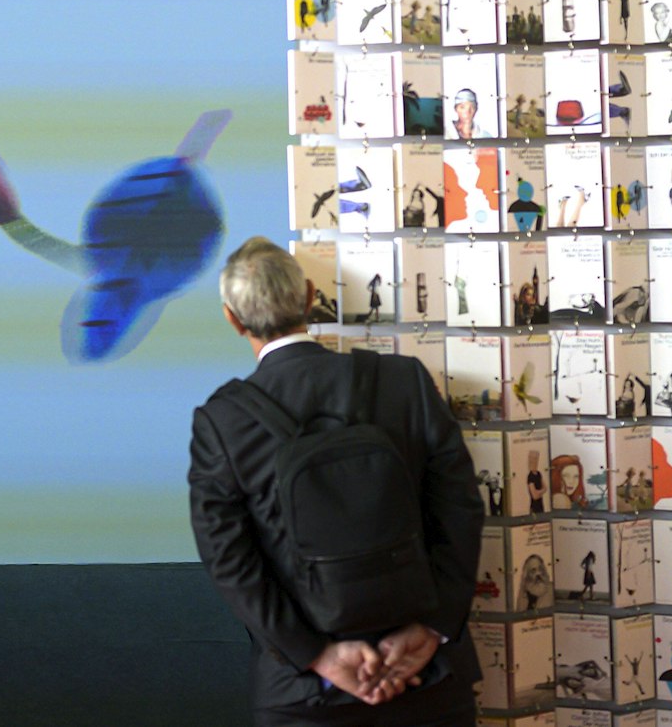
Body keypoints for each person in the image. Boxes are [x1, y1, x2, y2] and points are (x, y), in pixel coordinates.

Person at [188, 238, 483, 725]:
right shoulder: (404, 381)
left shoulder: (223, 422)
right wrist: (431, 629)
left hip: (304, 697)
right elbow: (461, 509)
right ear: (309, 297)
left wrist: (318, 656)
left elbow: (228, 560)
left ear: (233, 319)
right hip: (427, 678)